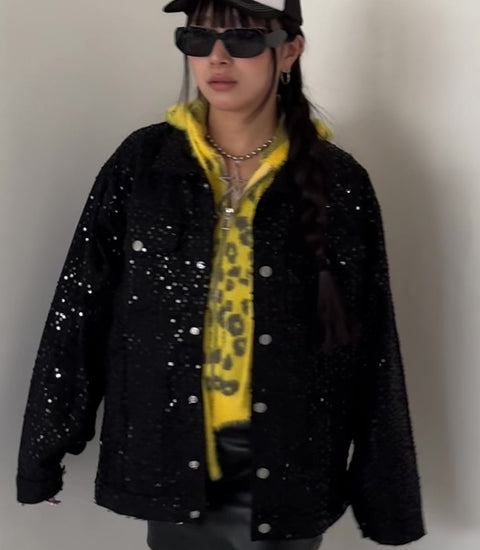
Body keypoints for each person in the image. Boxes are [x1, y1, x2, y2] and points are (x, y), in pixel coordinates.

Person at [16, 0, 426, 548]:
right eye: (197, 38)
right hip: (170, 455)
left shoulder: (338, 181)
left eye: (243, 39)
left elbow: (373, 346)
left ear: (290, 51)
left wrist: (388, 500)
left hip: (289, 462)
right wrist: (44, 451)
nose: (217, 57)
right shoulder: (142, 163)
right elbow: (80, 309)